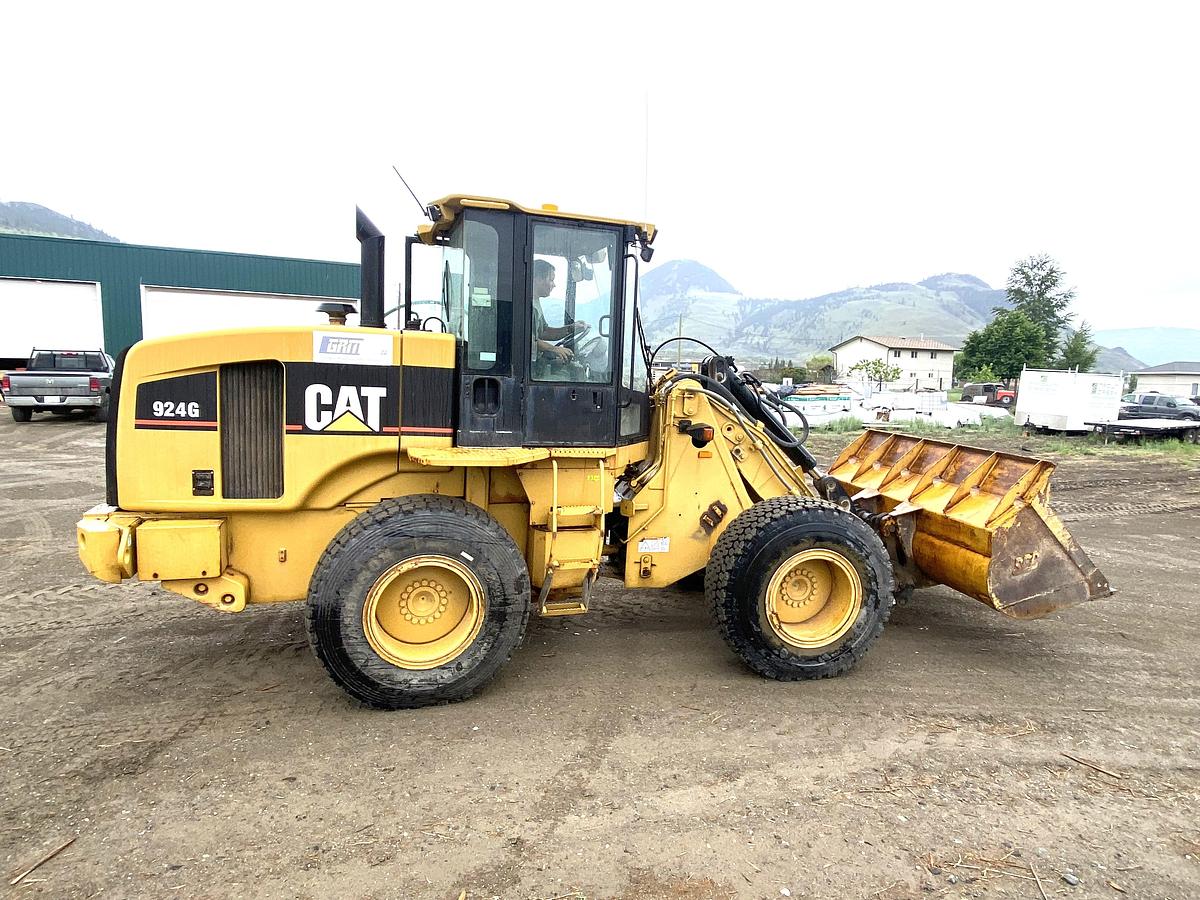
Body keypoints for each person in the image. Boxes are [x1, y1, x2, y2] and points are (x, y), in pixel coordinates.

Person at [532, 259, 586, 361]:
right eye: (551, 280)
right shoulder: (527, 306)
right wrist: (554, 349)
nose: (554, 285)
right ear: (538, 279)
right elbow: (527, 340)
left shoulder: (535, 301)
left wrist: (571, 328)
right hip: (530, 363)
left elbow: (544, 332)